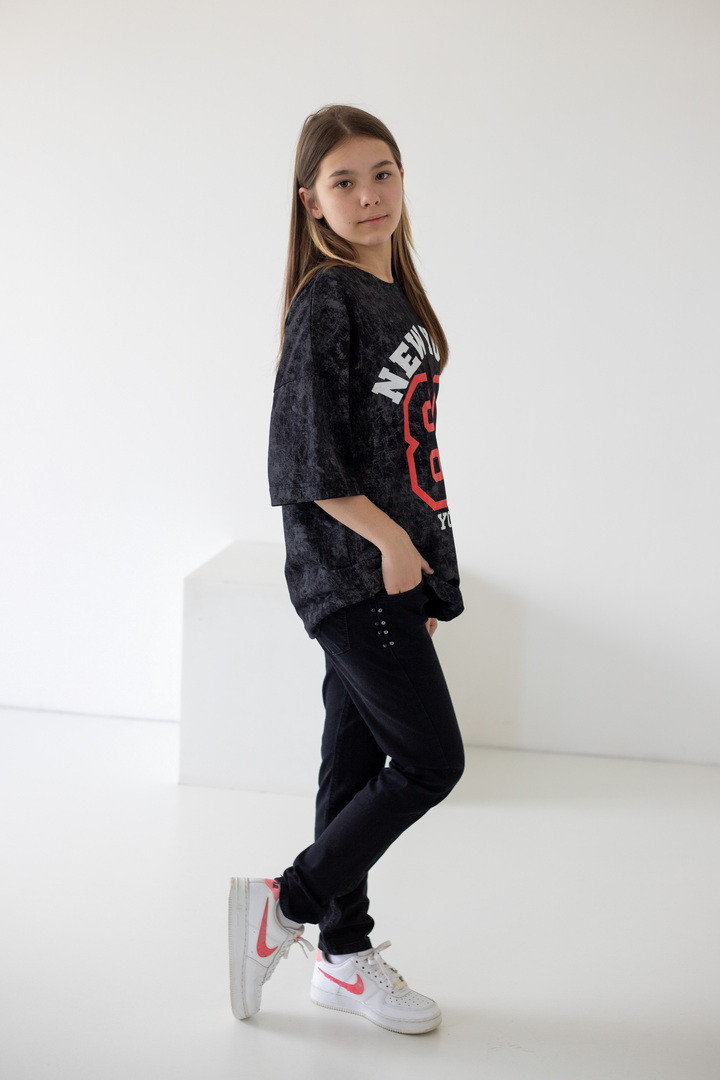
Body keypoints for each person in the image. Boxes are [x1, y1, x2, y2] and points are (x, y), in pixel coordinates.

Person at [229, 104, 465, 1036]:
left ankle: (341, 957)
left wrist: (428, 572)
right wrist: (394, 549)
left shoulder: (393, 296)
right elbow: (303, 459)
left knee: (354, 761)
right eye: (344, 181)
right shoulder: (327, 297)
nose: (369, 195)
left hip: (392, 575)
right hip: (353, 574)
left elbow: (409, 455)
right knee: (431, 761)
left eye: (383, 173)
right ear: (311, 202)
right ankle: (286, 903)